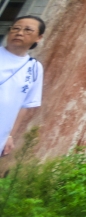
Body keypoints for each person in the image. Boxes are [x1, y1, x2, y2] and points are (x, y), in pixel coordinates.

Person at [0, 16, 45, 158]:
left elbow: (25, 105)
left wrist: (10, 136)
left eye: (27, 30)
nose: (19, 33)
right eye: (16, 28)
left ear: (38, 38)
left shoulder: (35, 68)